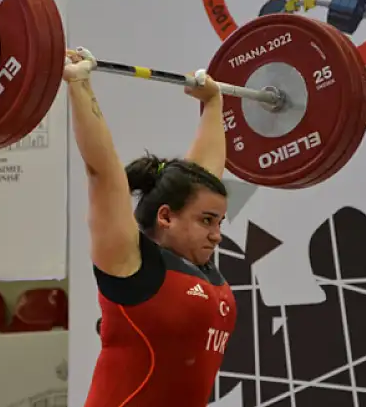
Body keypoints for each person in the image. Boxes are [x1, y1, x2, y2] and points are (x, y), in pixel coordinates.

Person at [64, 47, 237, 407]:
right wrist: (80, 84)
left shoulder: (198, 265)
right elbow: (103, 173)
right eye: (207, 221)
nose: (217, 234)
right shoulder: (129, 264)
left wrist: (213, 103)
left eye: (219, 222)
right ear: (165, 217)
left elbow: (202, 182)